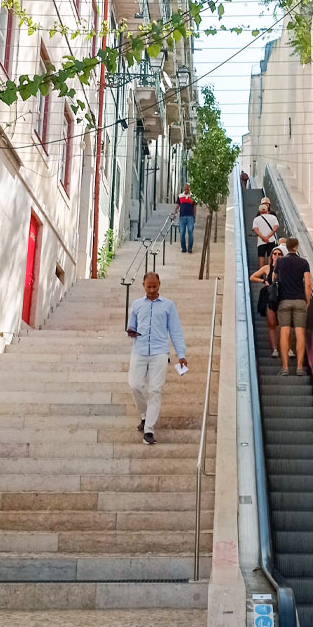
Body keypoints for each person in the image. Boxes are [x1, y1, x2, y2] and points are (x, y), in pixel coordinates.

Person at [126, 272, 187, 445]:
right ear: (143, 285)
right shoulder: (137, 304)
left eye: (155, 286)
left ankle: (149, 430)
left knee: (155, 390)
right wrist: (131, 331)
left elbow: (175, 330)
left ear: (159, 284)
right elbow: (131, 325)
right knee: (135, 385)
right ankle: (144, 415)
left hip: (159, 352)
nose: (152, 290)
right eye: (149, 286)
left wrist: (181, 354)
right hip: (139, 350)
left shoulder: (168, 305)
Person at [276, 238, 311, 376]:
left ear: (287, 247)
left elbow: (274, 279)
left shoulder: (280, 261)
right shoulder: (304, 263)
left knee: (284, 332)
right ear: (296, 247)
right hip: (299, 300)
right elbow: (308, 284)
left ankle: (285, 368)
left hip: (284, 300)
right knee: (300, 333)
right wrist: (307, 301)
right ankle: (299, 368)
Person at [250, 243, 285, 357]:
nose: (277, 256)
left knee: (284, 324)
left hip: (282, 297)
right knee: (272, 324)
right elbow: (252, 277)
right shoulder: (267, 268)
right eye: (275, 254)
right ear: (272, 256)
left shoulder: (285, 268)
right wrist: (263, 281)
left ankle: (287, 348)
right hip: (270, 297)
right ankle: (275, 349)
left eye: (279, 254)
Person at [252, 201, 279, 268]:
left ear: (260, 211)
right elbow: (276, 227)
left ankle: (261, 272)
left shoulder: (256, 219)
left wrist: (263, 237)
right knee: (270, 257)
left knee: (261, 257)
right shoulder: (273, 217)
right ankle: (269, 271)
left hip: (261, 241)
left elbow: (255, 229)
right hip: (271, 240)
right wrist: (268, 236)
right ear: (267, 210)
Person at [175, 183, 196, 253]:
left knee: (190, 231)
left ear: (189, 189)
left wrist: (194, 216)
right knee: (182, 233)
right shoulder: (180, 196)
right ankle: (183, 248)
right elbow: (177, 205)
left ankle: (190, 248)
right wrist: (175, 212)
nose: (186, 190)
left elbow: (194, 207)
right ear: (184, 189)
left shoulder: (193, 197)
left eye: (188, 189)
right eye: (185, 189)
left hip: (190, 217)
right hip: (182, 217)